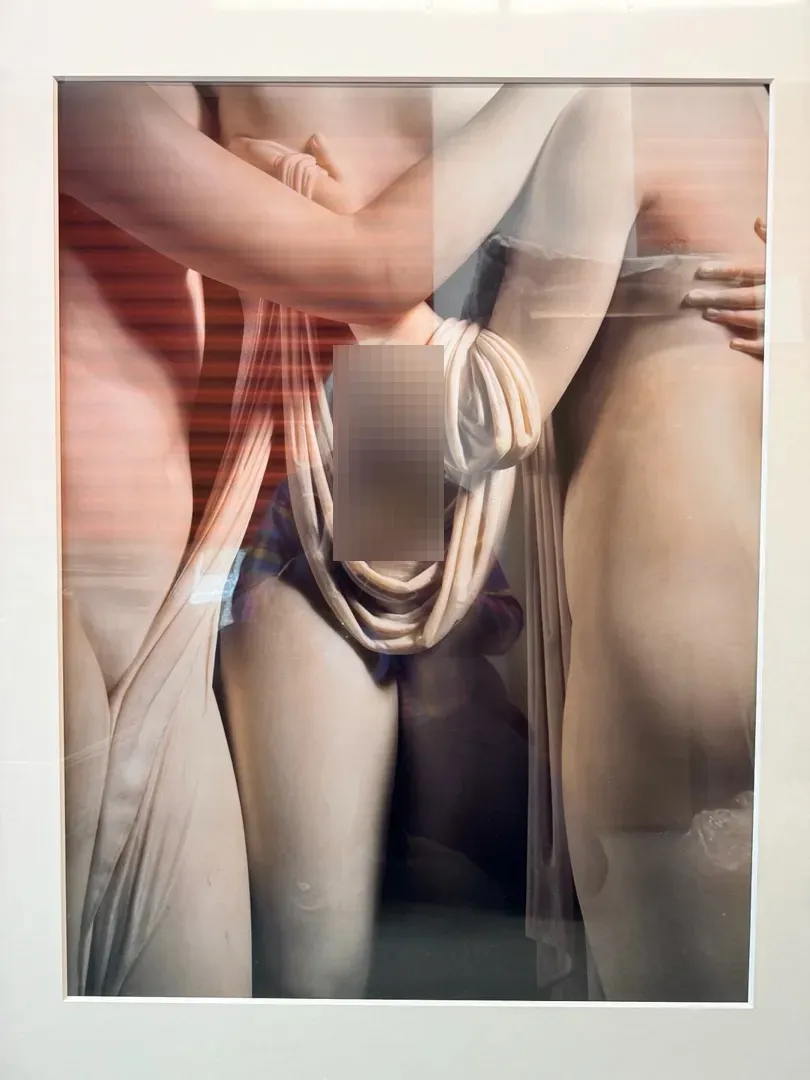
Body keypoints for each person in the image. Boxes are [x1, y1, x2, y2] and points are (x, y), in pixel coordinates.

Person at [216, 84, 767, 999]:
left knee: (357, 945)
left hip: (461, 429)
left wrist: (368, 281)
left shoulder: (614, 93)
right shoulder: (748, 102)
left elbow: (469, 389)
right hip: (400, 424)